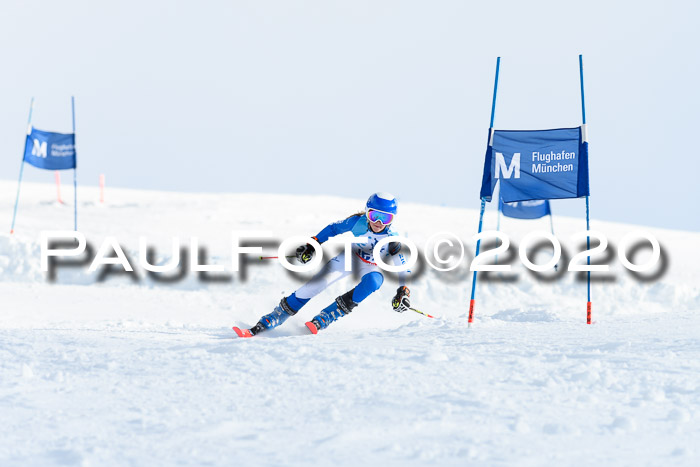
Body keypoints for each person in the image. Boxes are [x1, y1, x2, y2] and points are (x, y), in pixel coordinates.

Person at [234, 192, 412, 337]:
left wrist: (403, 290)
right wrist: (314, 243)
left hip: (372, 266)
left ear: (392, 220)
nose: (378, 223)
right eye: (374, 215)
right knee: (316, 285)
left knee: (373, 282)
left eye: (385, 219)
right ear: (367, 212)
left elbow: (403, 266)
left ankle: (327, 316)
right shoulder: (357, 222)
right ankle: (275, 317)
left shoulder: (393, 239)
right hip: (351, 258)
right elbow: (333, 228)